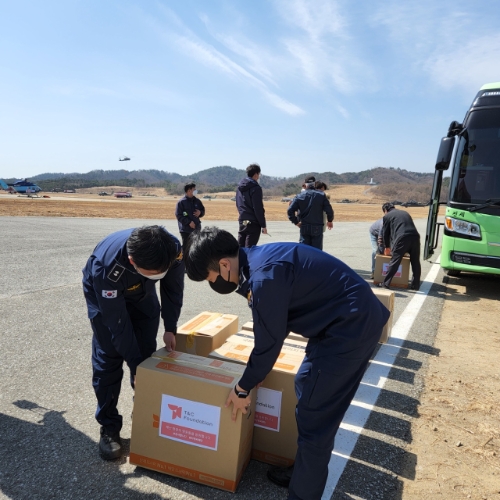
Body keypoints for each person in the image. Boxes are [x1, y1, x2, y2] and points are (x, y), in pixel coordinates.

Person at [184, 227, 390, 500]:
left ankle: (303, 493)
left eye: (211, 278)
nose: (214, 284)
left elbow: (268, 343)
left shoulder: (265, 276)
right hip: (335, 322)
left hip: (350, 328)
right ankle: (304, 472)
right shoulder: (252, 262)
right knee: (305, 382)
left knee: (316, 418)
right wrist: (255, 373)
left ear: (223, 264)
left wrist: (242, 388)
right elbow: (272, 326)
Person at [82, 225, 184, 460]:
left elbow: (173, 288)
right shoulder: (107, 267)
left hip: (143, 292)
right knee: (109, 356)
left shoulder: (172, 249)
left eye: (161, 271)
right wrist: (134, 362)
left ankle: (143, 415)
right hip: (106, 298)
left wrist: (171, 328)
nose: (159, 274)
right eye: (152, 271)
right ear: (132, 260)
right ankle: (109, 426)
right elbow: (117, 322)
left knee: (147, 353)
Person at [379, 202, 421, 290]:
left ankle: (385, 283)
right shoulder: (405, 213)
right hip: (415, 237)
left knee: (395, 260)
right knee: (415, 262)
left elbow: (386, 233)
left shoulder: (387, 216)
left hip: (402, 238)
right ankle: (415, 285)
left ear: (385, 210)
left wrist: (387, 247)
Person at [287, 177, 334, 250]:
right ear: (315, 184)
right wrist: (330, 220)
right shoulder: (321, 195)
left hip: (304, 226)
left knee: (304, 251)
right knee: (317, 252)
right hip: (317, 226)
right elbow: (329, 210)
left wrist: (296, 222)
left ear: (305, 184)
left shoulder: (299, 196)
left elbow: (290, 211)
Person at [236, 163, 267, 247]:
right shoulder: (255, 188)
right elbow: (258, 208)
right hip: (253, 222)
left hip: (243, 220)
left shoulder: (239, 188)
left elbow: (238, 204)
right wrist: (263, 225)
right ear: (256, 174)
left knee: (240, 248)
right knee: (250, 249)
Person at [175, 182, 205, 248]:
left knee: (196, 248)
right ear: (189, 191)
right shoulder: (181, 202)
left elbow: (203, 210)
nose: (195, 191)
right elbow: (178, 215)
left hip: (196, 229)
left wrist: (200, 212)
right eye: (194, 189)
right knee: (187, 248)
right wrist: (189, 222)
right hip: (185, 230)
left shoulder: (197, 201)